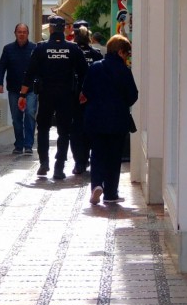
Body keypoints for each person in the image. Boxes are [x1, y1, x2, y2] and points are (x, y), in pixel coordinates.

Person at [18, 15, 88, 179]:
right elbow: (85, 73)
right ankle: (59, 167)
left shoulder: (41, 48)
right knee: (64, 132)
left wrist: (22, 94)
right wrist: (84, 92)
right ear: (64, 29)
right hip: (66, 97)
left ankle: (44, 163)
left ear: (50, 29)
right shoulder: (73, 49)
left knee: (43, 129)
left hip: (46, 95)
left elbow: (29, 73)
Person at [80, 35, 139, 205]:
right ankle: (111, 193)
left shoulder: (95, 68)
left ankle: (97, 185)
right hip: (117, 120)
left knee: (97, 153)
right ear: (120, 52)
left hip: (95, 119)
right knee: (114, 156)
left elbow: (86, 91)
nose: (127, 57)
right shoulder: (124, 71)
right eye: (127, 54)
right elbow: (132, 96)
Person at [0, 23, 38, 154]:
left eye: (24, 32)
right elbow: (1, 66)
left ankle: (29, 144)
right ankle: (19, 144)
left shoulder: (34, 49)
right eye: (19, 32)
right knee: (16, 118)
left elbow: (40, 68)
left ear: (28, 34)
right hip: (14, 89)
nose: (22, 34)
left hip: (31, 89)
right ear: (15, 33)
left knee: (30, 113)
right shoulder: (8, 49)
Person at [68, 26, 102, 175]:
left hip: (74, 100)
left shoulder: (71, 54)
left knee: (76, 132)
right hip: (93, 100)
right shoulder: (96, 54)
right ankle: (90, 159)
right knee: (91, 131)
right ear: (89, 38)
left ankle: (79, 162)